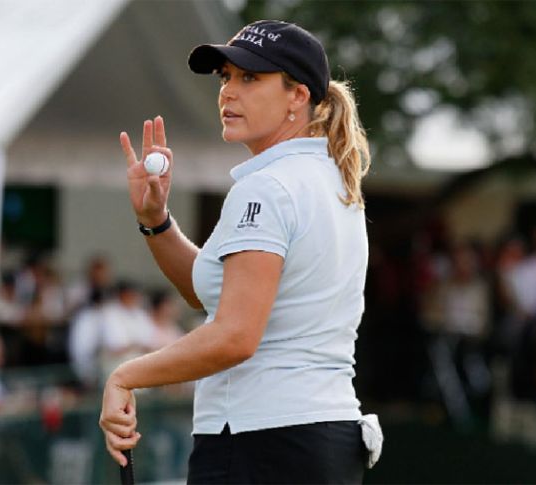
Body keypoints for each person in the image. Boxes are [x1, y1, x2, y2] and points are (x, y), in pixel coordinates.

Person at [99, 19, 382, 483]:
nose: (229, 92)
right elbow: (211, 293)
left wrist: (126, 375)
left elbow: (235, 335)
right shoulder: (333, 182)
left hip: (261, 442)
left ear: (299, 95)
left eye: (250, 78)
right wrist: (156, 221)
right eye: (226, 77)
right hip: (319, 440)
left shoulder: (267, 188)